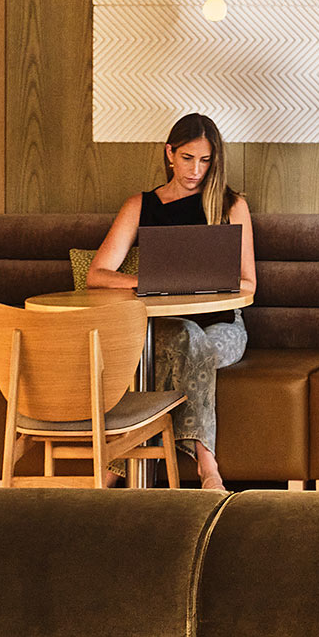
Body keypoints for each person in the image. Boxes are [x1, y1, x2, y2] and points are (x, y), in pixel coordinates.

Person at [87, 112, 255, 490]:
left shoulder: (230, 205)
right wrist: (150, 282)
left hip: (226, 328)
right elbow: (97, 275)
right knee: (184, 336)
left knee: (194, 340)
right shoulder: (141, 206)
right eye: (187, 158)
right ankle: (208, 469)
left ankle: (118, 464)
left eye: (205, 160)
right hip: (163, 330)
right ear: (169, 154)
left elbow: (248, 283)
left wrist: (213, 287)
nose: (196, 169)